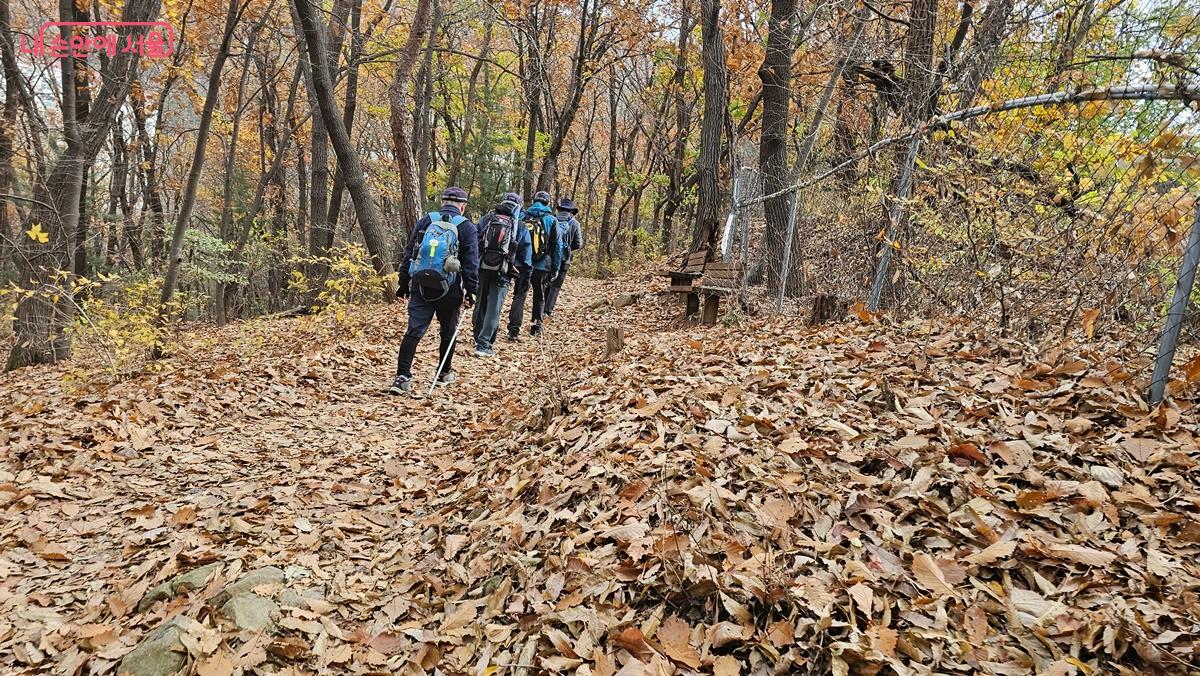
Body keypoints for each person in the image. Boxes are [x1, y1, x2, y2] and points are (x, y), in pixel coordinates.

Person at [389, 187, 479, 394]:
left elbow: (410, 252)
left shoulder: (426, 221)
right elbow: (471, 263)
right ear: (463, 206)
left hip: (421, 285)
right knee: (448, 331)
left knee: (414, 330)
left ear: (442, 202)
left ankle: (402, 378)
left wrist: (403, 283)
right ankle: (443, 373)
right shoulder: (466, 227)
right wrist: (472, 292)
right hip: (450, 289)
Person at [472, 194, 530, 357]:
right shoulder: (519, 225)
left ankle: (477, 337)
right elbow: (526, 254)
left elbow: (475, 243)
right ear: (518, 207)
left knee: (480, 303)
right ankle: (484, 345)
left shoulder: (486, 219)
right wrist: (524, 276)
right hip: (504, 270)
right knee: (494, 307)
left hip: (482, 267)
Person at [507, 191, 560, 340]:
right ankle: (536, 327)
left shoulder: (523, 216)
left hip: (523, 263)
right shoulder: (551, 219)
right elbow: (557, 246)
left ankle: (513, 330)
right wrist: (555, 267)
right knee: (539, 295)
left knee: (519, 296)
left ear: (534, 201)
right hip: (542, 265)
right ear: (548, 203)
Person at [544, 197, 584, 317]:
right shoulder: (575, 224)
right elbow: (578, 243)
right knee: (556, 286)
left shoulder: (552, 220)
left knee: (547, 282)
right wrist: (569, 249)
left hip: (549, 258)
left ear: (560, 209)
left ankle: (541, 307)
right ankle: (547, 310)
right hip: (565, 260)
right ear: (572, 211)